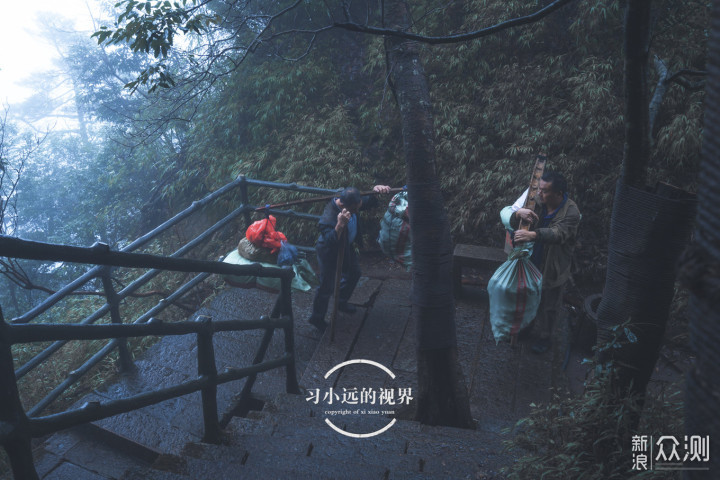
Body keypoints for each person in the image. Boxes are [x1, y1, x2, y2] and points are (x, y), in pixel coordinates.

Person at [509, 171, 581, 354]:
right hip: (533, 260)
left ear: (559, 193)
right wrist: (518, 214)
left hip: (553, 265)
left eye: (545, 191)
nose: (539, 194)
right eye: (539, 189)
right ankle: (527, 328)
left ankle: (545, 337)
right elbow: (515, 224)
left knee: (549, 305)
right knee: (529, 297)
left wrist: (534, 234)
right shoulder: (537, 203)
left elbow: (559, 233)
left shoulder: (571, 212)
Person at [308, 184, 392, 331]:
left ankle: (341, 301)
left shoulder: (353, 203)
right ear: (344, 205)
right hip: (329, 251)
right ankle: (317, 318)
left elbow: (367, 203)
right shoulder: (328, 216)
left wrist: (375, 191)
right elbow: (330, 240)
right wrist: (339, 225)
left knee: (354, 273)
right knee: (326, 286)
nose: (357, 211)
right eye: (355, 209)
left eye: (358, 207)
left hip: (346, 246)